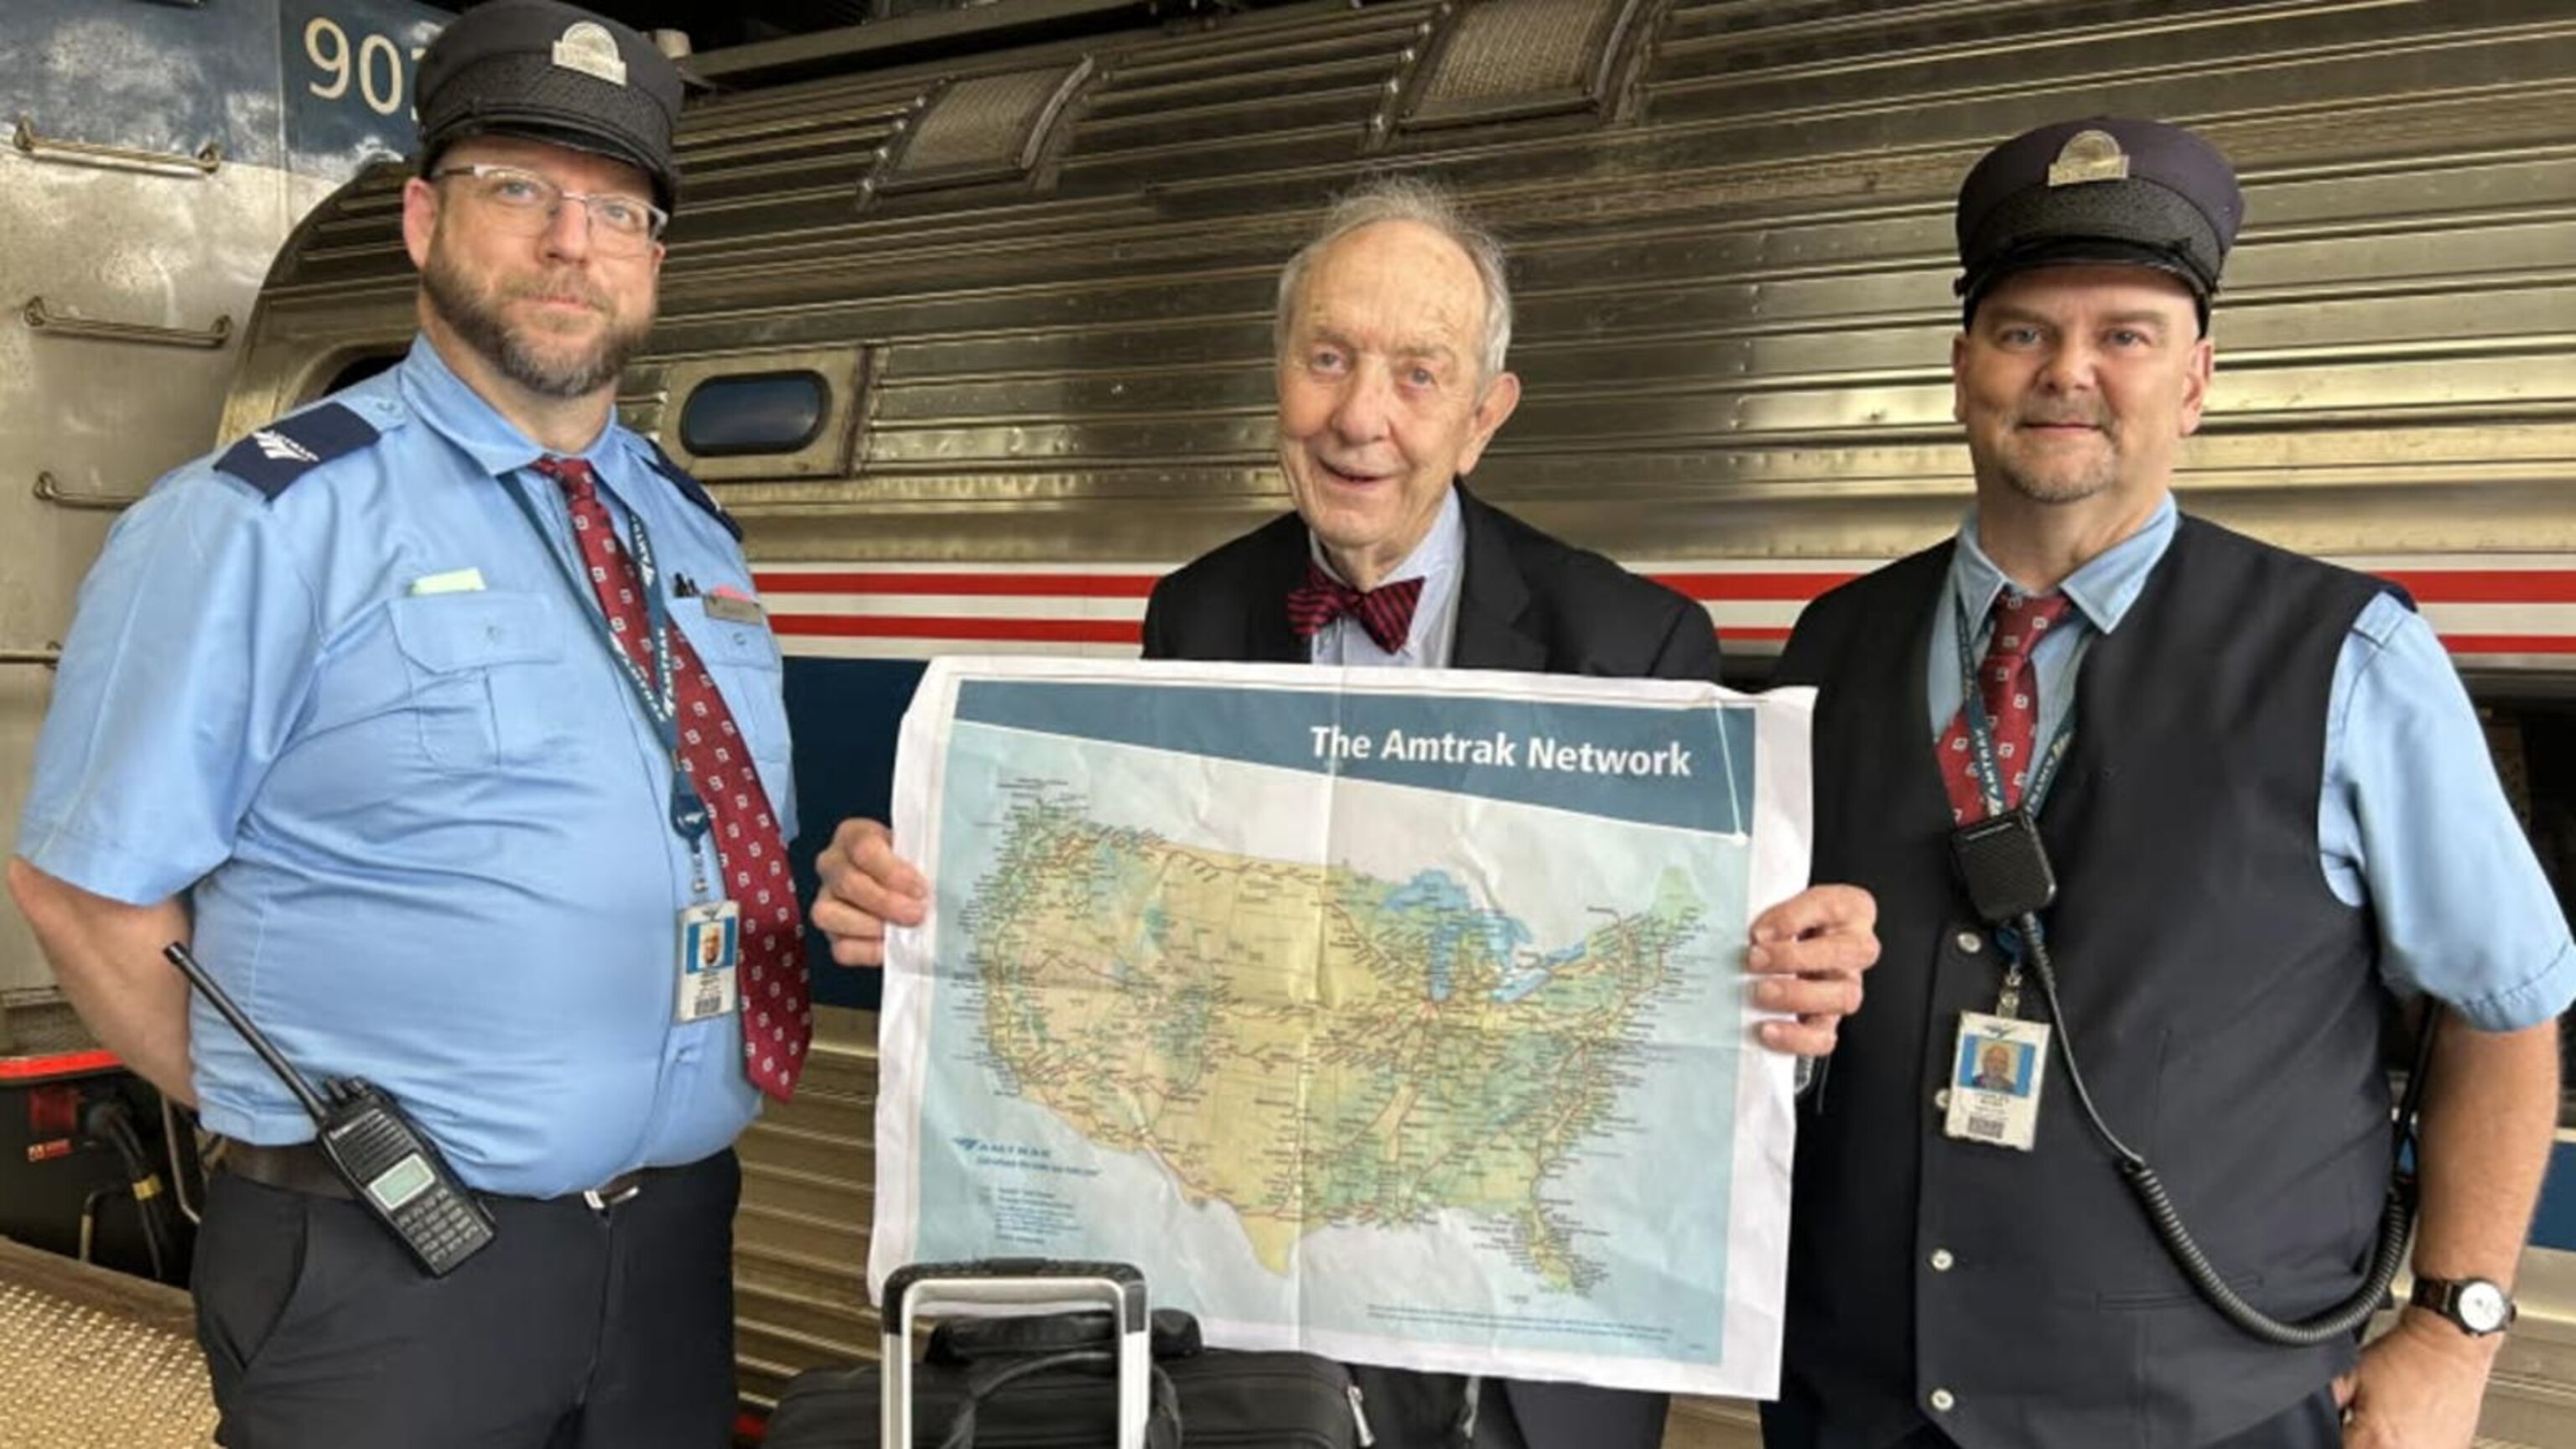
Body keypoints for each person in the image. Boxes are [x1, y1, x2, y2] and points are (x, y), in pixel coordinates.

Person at [812, 177, 1882, 1449]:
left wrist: (1793, 994)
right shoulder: (1196, 612)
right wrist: (924, 898)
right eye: (1328, 359)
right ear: (1278, 373)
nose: (1361, 418)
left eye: (1419, 375)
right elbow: (1145, 926)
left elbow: (1675, 1009)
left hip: (1521, 1359)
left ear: (1484, 418)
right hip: (1263, 1335)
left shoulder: (1636, 644)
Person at [7, 3, 808, 1444]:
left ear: (653, 258)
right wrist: (290, 1118)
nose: (571, 243)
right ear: (427, 219)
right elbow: (80, 888)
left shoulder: (691, 534)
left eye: (618, 211)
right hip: (383, 1262)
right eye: (521, 189)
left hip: (672, 1245)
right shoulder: (259, 521)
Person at [1768, 117, 2574, 1449]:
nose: (2068, 372)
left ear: (2194, 382)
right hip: (1858, 1400)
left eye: (2125, 335)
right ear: (1962, 372)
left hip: (2212, 1413)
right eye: (2023, 331)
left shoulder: (2353, 658)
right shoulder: (1831, 645)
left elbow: (2503, 1006)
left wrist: (2454, 1327)